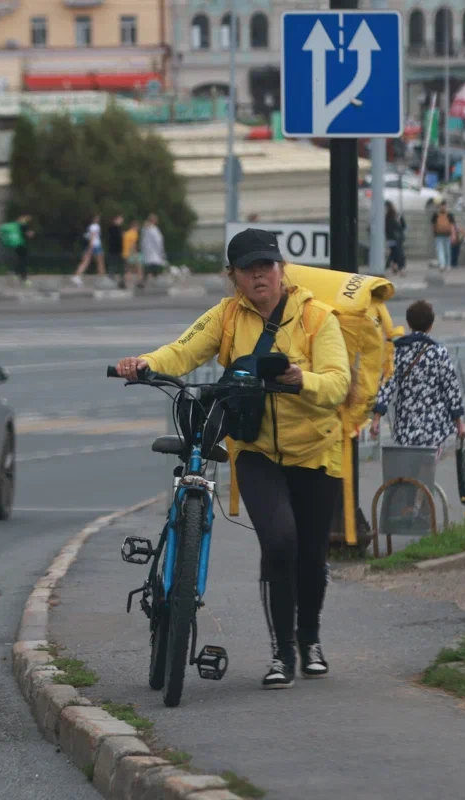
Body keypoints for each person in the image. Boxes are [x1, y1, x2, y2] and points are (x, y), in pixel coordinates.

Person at [114, 228, 350, 689]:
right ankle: (282, 654)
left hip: (317, 452)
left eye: (267, 265)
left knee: (310, 556)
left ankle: (310, 639)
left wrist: (302, 379)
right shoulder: (226, 317)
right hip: (257, 451)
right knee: (279, 543)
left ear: (282, 269)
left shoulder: (318, 318)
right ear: (233, 276)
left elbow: (339, 383)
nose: (259, 275)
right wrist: (145, 363)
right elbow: (183, 350)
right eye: (248, 268)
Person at [370, 300, 465, 455]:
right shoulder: (438, 352)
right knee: (427, 471)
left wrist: (376, 419)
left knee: (409, 470)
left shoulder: (398, 351)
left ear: (409, 323)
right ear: (431, 325)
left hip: (405, 425)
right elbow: (451, 389)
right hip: (434, 427)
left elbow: (387, 385)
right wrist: (459, 424)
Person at [73, 213, 105, 286]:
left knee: (86, 261)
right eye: (97, 217)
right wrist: (90, 248)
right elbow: (93, 237)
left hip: (92, 246)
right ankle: (102, 279)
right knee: (100, 262)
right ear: (95, 218)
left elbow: (90, 237)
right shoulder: (95, 226)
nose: (98, 218)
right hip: (95, 246)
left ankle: (77, 276)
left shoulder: (90, 226)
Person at [140, 213, 167, 280]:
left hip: (147, 252)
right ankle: (155, 281)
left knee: (147, 267)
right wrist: (161, 251)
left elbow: (142, 241)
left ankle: (144, 281)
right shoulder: (154, 229)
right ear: (154, 220)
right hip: (154, 252)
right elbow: (158, 241)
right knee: (155, 268)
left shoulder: (144, 229)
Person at [431, 203, 455, 271]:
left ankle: (443, 265)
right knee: (445, 251)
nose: (443, 207)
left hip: (441, 235)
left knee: (442, 250)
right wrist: (453, 235)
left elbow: (433, 225)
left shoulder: (436, 215)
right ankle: (445, 265)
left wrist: (434, 234)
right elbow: (452, 225)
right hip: (444, 235)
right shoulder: (449, 215)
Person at [384, 202, 406, 276]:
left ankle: (395, 266)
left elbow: (387, 228)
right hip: (396, 238)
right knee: (397, 253)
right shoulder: (395, 216)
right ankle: (398, 268)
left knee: (394, 253)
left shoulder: (388, 216)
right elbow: (401, 227)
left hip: (391, 238)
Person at [123, 218, 143, 289]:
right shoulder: (134, 234)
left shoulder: (126, 233)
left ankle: (124, 283)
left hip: (125, 254)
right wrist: (135, 255)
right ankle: (140, 282)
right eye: (138, 227)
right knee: (139, 267)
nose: (138, 229)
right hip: (131, 254)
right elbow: (133, 245)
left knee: (128, 269)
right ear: (135, 227)